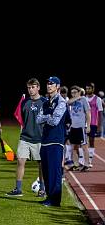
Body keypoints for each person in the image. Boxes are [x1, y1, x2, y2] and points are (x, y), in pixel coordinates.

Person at [6, 78, 47, 197]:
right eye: (29, 87)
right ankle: (18, 189)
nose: (30, 89)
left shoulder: (45, 102)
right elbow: (22, 119)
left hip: (40, 138)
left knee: (41, 165)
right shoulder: (25, 102)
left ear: (38, 87)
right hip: (25, 137)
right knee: (20, 161)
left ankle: (42, 189)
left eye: (33, 87)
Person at [36, 76, 67, 207]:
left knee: (55, 172)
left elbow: (55, 121)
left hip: (56, 141)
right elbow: (37, 119)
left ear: (57, 86)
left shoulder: (61, 101)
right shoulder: (45, 102)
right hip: (45, 141)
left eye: (52, 84)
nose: (49, 86)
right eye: (48, 83)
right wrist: (49, 116)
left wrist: (46, 117)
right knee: (47, 172)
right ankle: (49, 197)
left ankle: (55, 200)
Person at [67, 86, 91, 172]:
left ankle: (87, 164)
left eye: (75, 92)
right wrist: (77, 96)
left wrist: (88, 126)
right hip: (73, 127)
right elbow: (68, 102)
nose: (73, 94)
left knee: (84, 147)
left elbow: (88, 113)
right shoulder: (72, 100)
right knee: (74, 147)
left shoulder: (83, 100)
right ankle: (76, 165)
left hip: (81, 127)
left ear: (79, 92)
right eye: (72, 92)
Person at [85, 83, 103, 167]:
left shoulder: (98, 99)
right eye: (86, 88)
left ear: (93, 89)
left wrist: (99, 126)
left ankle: (90, 160)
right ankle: (82, 160)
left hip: (93, 123)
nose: (87, 90)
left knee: (91, 141)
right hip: (83, 124)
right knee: (83, 142)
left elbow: (100, 113)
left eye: (89, 88)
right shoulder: (83, 98)